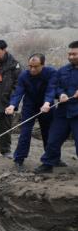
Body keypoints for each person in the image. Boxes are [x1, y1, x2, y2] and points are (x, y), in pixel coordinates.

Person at [5, 54, 63, 172]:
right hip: (29, 106)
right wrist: (12, 105)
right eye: (30, 66)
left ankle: (53, 159)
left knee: (49, 134)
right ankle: (19, 159)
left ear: (43, 65)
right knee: (25, 133)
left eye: (36, 67)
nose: (32, 69)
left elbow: (51, 89)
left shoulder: (51, 73)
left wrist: (47, 102)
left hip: (47, 106)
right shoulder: (24, 75)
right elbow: (18, 92)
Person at [34, 41, 78, 173]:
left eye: (74, 54)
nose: (70, 57)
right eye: (69, 54)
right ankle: (48, 164)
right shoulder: (63, 70)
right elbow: (54, 87)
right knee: (53, 138)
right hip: (63, 112)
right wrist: (61, 94)